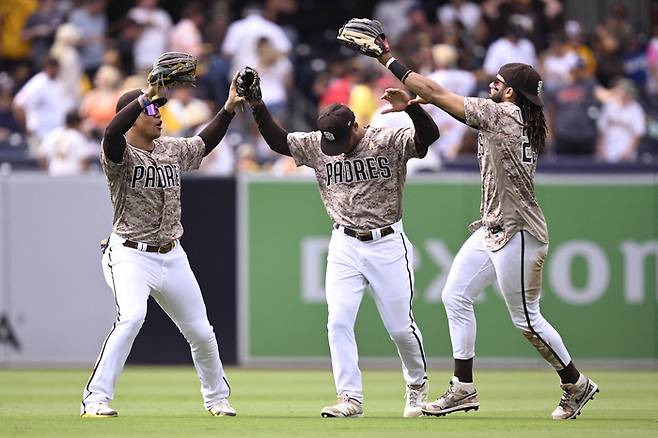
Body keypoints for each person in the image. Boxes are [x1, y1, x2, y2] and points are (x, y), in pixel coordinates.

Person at [337, 18, 599, 420]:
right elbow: (441, 100)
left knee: (526, 319)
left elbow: (437, 91)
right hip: (494, 225)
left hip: (519, 231)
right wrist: (426, 103)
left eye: (497, 83)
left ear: (510, 92)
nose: (490, 86)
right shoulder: (508, 116)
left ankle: (575, 383)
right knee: (454, 295)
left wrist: (387, 56)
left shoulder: (505, 115)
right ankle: (464, 387)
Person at [239, 69, 439, 417]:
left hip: (386, 242)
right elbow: (277, 141)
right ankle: (350, 397)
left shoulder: (385, 140)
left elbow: (428, 137)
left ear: (355, 127)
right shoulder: (320, 145)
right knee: (338, 321)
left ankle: (417, 384)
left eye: (339, 140)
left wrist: (412, 108)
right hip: (344, 243)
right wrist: (257, 105)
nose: (334, 149)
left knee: (400, 327)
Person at [80, 72, 243, 418]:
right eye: (151, 110)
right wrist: (143, 96)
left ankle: (217, 399)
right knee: (132, 318)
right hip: (129, 255)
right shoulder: (120, 155)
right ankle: (95, 399)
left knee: (201, 331)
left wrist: (228, 109)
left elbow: (203, 144)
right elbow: (110, 133)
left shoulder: (169, 148)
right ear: (132, 117)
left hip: (172, 254)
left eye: (158, 108)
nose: (158, 115)